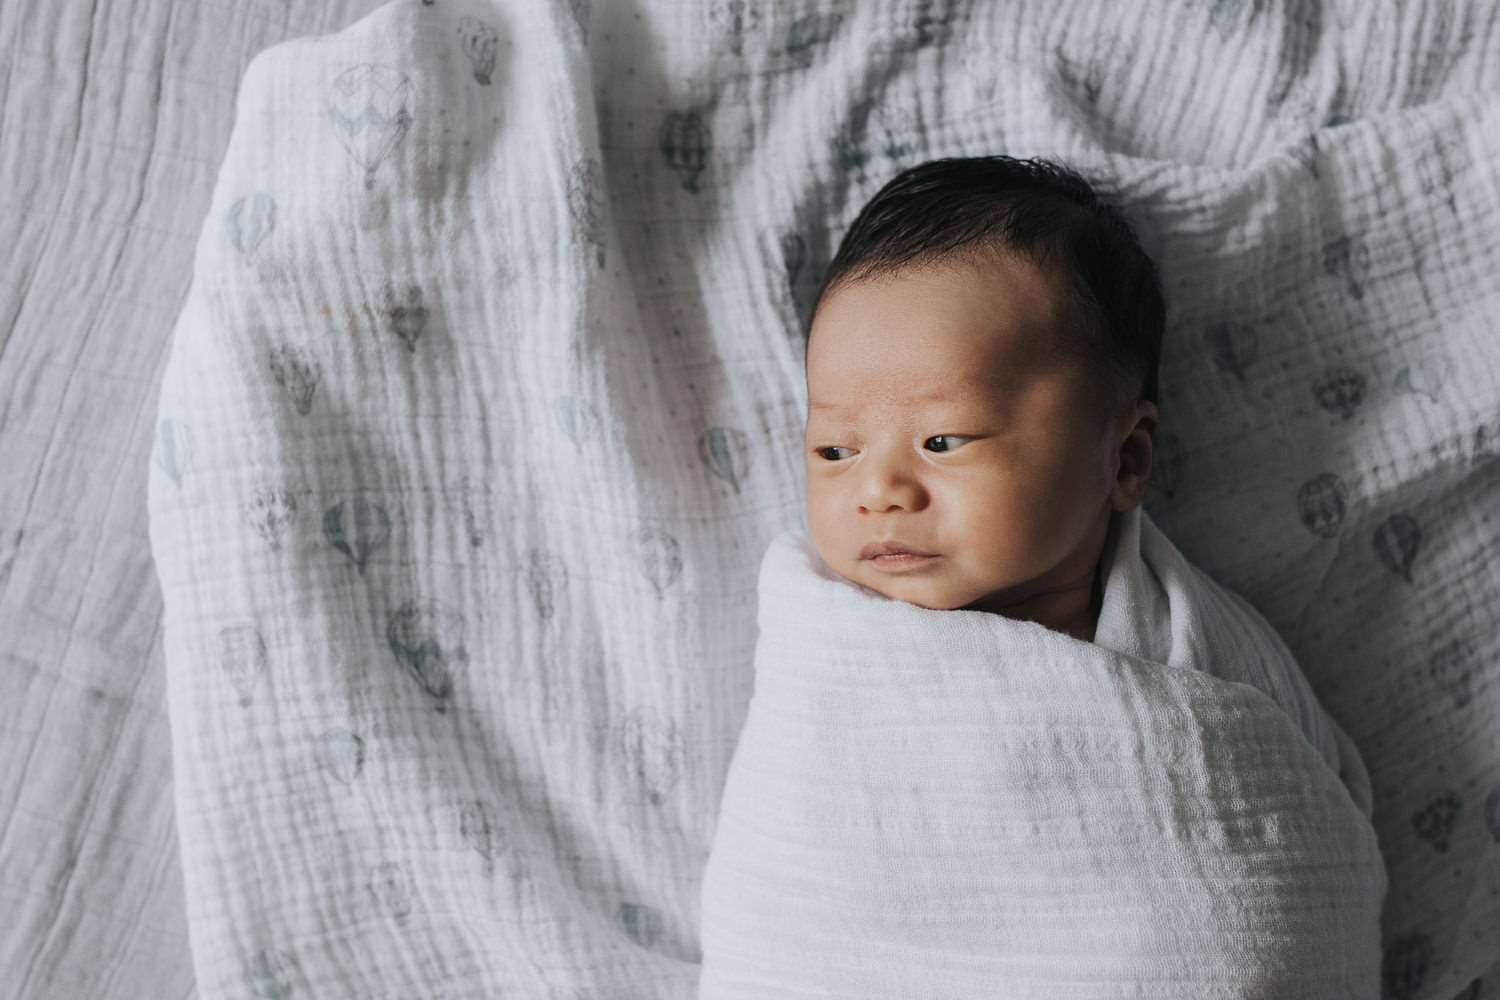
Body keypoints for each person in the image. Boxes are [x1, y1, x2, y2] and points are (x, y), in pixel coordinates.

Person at [803, 154, 1162, 643]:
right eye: (836, 451)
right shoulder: (812, 629)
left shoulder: (1193, 667)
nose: (878, 492)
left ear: (1125, 460)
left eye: (943, 441)